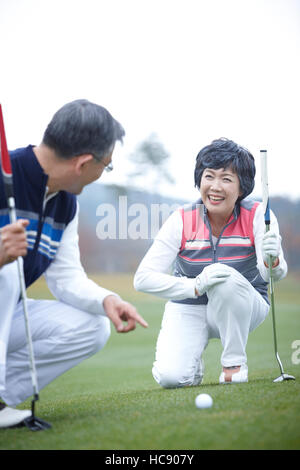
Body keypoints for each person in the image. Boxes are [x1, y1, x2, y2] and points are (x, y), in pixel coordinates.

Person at [0, 99, 148, 428]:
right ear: (83, 163)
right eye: (106, 166)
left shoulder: (66, 203)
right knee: (7, 274)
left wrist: (106, 299)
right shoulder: (2, 173)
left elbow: (65, 278)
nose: (103, 173)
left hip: (5, 315)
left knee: (93, 324)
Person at [134, 138, 287, 388]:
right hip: (189, 305)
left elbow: (272, 274)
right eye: (209, 176)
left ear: (242, 188)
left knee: (221, 276)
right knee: (171, 378)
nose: (215, 187)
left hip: (245, 306)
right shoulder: (181, 219)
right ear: (199, 180)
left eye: (226, 179)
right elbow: (142, 279)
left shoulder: (258, 215)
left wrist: (274, 261)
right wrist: (194, 286)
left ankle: (233, 364)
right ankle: (192, 366)